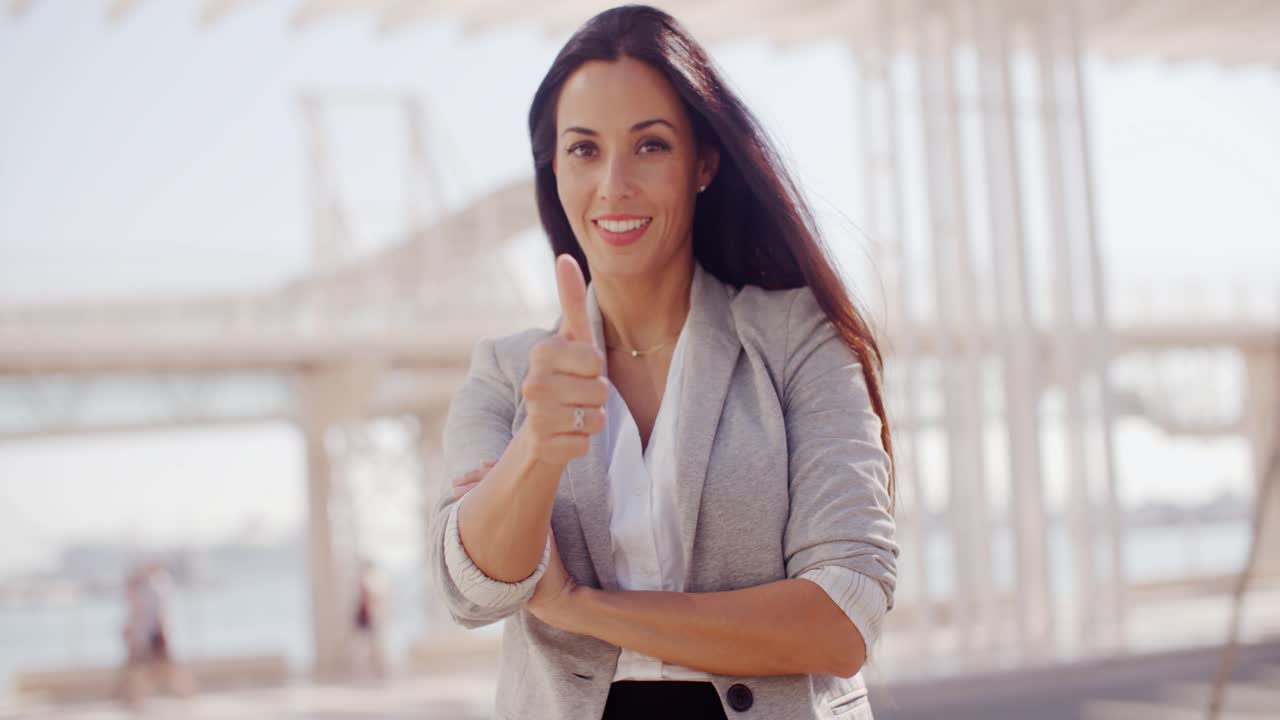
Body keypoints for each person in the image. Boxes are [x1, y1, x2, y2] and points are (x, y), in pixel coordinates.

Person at [428, 6, 897, 718]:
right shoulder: (508, 372)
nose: (614, 183)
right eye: (584, 149)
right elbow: (473, 588)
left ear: (703, 162)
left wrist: (581, 607)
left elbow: (841, 620)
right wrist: (537, 448)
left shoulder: (799, 338)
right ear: (552, 166)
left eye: (649, 146)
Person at [119, 563, 193, 706]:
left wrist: (160, 634)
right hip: (148, 635)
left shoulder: (150, 589)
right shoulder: (150, 589)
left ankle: (183, 692)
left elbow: (150, 615)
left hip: (150, 636)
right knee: (147, 667)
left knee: (154, 667)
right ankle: (136, 697)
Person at [351, 559, 389, 680]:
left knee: (375, 645)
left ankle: (379, 670)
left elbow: (374, 600)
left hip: (371, 619)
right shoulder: (362, 584)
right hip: (365, 619)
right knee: (367, 646)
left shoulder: (370, 583)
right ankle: (372, 671)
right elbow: (361, 604)